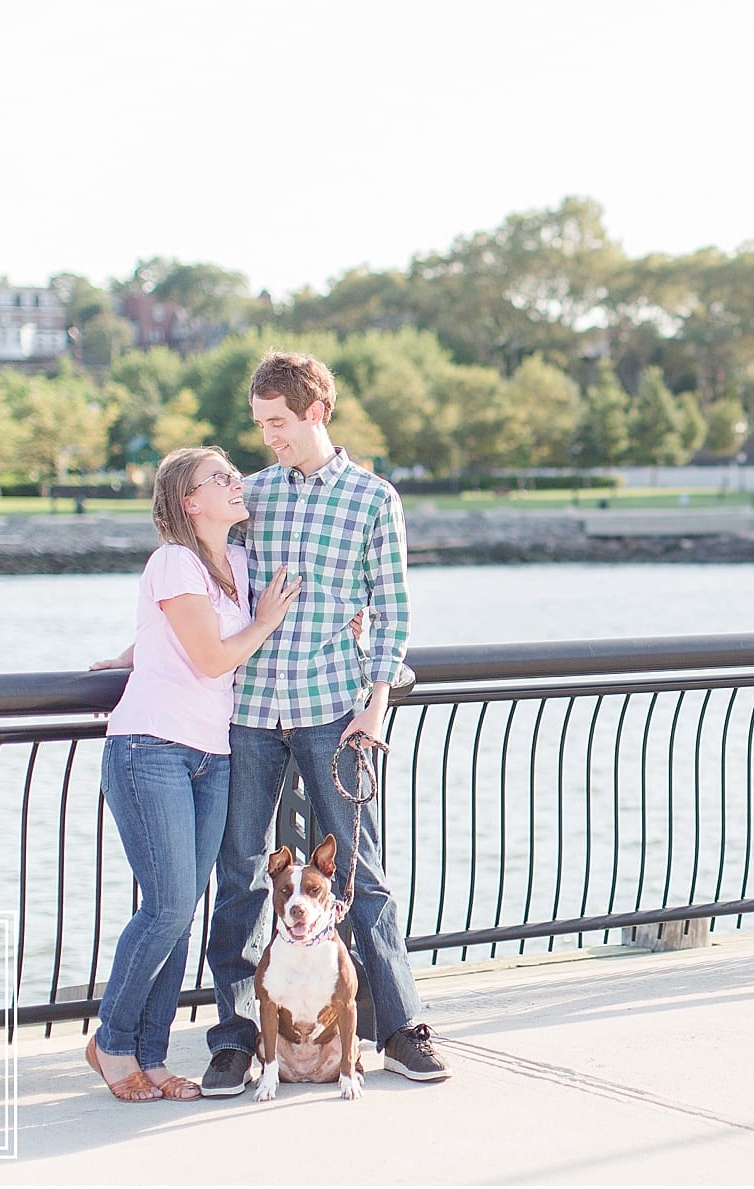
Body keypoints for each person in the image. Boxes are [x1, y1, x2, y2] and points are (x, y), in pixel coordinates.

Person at [199, 350, 450, 1095]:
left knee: (361, 874)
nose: (267, 436)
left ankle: (402, 1028)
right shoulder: (254, 496)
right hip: (249, 713)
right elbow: (212, 583)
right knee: (240, 877)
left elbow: (394, 608)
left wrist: (377, 700)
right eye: (259, 423)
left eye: (276, 422)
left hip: (334, 713)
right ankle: (239, 1038)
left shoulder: (374, 498)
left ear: (315, 412)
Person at [84, 447, 302, 1102]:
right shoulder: (174, 559)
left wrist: (130, 649)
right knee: (171, 903)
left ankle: (151, 1057)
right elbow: (210, 658)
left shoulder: (234, 561)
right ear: (189, 502)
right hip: (150, 747)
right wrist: (266, 621)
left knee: (179, 912)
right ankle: (112, 1040)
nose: (237, 484)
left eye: (235, 475)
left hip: (212, 754)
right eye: (220, 479)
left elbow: (174, 632)